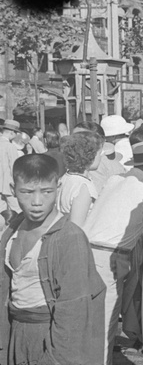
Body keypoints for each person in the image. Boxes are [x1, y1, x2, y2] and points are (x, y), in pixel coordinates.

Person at [0, 154, 105, 364]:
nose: (37, 202)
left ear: (58, 186)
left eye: (47, 192)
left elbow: (73, 313)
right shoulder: (11, 231)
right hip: (16, 332)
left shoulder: (69, 238)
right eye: (27, 192)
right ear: (13, 190)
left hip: (50, 337)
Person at [83, 139, 143, 365]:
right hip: (109, 253)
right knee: (106, 320)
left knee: (91, 319)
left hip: (86, 248)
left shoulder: (114, 179)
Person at [56, 130, 104, 228]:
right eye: (99, 153)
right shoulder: (83, 187)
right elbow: (77, 227)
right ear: (90, 155)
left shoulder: (65, 178)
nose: (101, 156)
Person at [0, 120, 22, 217]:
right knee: (17, 210)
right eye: (17, 133)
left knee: (2, 213)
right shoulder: (10, 147)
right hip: (8, 184)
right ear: (12, 133)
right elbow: (15, 167)